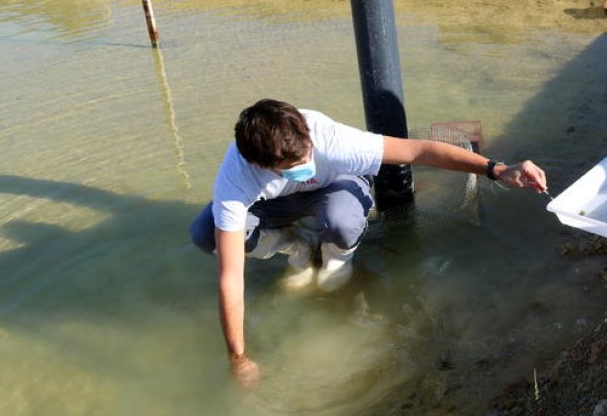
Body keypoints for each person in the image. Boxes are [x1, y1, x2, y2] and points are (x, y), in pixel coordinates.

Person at [189, 98, 547, 387]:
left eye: (307, 157)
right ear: (258, 164)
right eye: (294, 165)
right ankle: (296, 246)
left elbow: (420, 151)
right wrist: (238, 357)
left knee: (342, 222)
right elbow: (231, 276)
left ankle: (335, 263)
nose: (306, 165)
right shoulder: (236, 177)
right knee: (205, 234)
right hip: (275, 202)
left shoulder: (332, 140)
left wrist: (498, 170)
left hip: (336, 188)